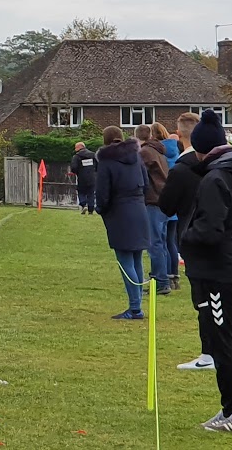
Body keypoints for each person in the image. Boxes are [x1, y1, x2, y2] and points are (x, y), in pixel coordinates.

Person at [182, 109, 232, 433]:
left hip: (221, 273)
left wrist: (185, 237)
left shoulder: (215, 179)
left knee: (225, 344)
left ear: (203, 149)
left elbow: (210, 230)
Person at [161, 112, 214, 371]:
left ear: (179, 134)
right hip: (219, 235)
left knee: (203, 297)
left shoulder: (183, 167)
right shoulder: (220, 164)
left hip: (192, 233)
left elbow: (166, 205)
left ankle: (209, 353)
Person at [95, 126, 151, 320]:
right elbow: (146, 183)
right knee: (136, 258)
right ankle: (137, 304)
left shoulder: (106, 161)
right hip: (139, 208)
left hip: (120, 212)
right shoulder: (137, 157)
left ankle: (135, 308)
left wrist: (102, 209)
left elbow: (102, 192)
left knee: (125, 261)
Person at [137, 124, 172, 295]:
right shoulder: (159, 151)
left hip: (153, 200)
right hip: (164, 200)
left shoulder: (145, 153)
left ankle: (160, 282)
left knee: (154, 243)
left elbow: (139, 176)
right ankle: (160, 279)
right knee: (161, 242)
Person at [156, 123, 183, 291]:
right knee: (172, 242)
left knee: (162, 242)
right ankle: (174, 276)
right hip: (176, 206)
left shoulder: (160, 154)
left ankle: (164, 275)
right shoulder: (178, 154)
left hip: (163, 203)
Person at [70, 142, 98, 215]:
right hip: (92, 177)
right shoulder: (93, 155)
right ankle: (91, 210)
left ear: (79, 147)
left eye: (76, 147)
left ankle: (83, 204)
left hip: (82, 177)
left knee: (81, 191)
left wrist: (76, 172)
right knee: (91, 193)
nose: (75, 149)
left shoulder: (76, 156)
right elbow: (98, 165)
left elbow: (74, 167)